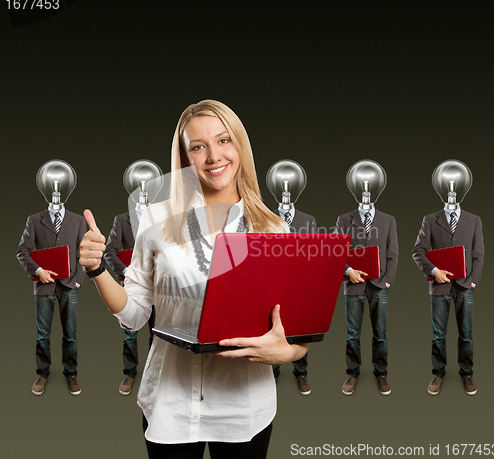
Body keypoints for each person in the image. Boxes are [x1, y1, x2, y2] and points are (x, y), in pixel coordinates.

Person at [79, 100, 309, 458]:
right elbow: (135, 313)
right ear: (185, 158)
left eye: (223, 140)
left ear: (240, 146)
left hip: (244, 409)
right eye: (198, 146)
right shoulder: (155, 219)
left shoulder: (274, 229)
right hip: (170, 404)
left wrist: (289, 352)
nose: (213, 156)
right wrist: (96, 269)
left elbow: (293, 330)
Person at [412, 201, 483, 396]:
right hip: (438, 286)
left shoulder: (474, 220)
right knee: (438, 335)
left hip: (465, 285)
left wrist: (473, 281)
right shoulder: (429, 220)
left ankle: (467, 373)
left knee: (466, 334)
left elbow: (478, 254)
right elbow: (418, 251)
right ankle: (438, 373)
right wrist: (434, 271)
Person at [17, 202, 86, 396]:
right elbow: (22, 251)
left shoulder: (78, 220)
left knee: (70, 334)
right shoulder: (33, 220)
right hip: (43, 285)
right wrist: (38, 271)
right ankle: (42, 373)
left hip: (70, 285)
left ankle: (71, 373)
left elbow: (83, 253)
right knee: (42, 335)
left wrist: (78, 280)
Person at [334, 207, 398, 396]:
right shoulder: (344, 219)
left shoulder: (388, 219)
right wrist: (347, 270)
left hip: (379, 286)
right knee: (353, 334)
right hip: (354, 285)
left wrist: (387, 281)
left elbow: (392, 253)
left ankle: (381, 373)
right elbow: (336, 249)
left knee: (380, 333)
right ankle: (352, 373)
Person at [104, 209, 156, 396]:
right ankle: (129, 372)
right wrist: (127, 273)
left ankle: (155, 374)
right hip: (131, 286)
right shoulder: (121, 220)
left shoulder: (162, 216)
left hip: (157, 285)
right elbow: (110, 252)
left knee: (157, 333)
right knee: (130, 334)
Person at [272, 207, 316, 395]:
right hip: (275, 280)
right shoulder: (266, 216)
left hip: (301, 282)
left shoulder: (308, 220)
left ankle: (301, 372)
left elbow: (314, 252)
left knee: (300, 328)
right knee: (273, 324)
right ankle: (272, 370)